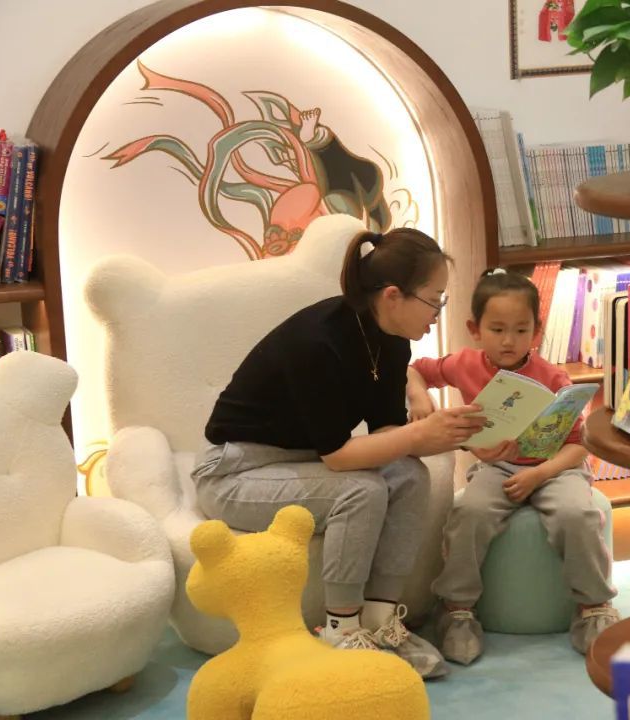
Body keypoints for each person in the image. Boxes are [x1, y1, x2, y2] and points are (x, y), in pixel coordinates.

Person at [191, 227, 486, 680]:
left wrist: (441, 436)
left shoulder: (392, 340)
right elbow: (337, 456)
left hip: (298, 461)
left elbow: (385, 432)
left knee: (410, 475)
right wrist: (418, 436)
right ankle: (341, 627)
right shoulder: (318, 343)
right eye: (435, 300)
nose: (437, 314)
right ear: (393, 296)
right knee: (361, 490)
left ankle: (380, 617)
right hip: (234, 471)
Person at [407, 269, 619, 666]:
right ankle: (457, 609)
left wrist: (540, 474)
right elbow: (415, 368)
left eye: (521, 331)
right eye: (497, 329)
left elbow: (580, 445)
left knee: (577, 514)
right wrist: (420, 396)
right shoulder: (464, 364)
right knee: (469, 512)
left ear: (536, 332)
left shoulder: (553, 377)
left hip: (556, 467)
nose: (509, 341)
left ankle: (594, 606)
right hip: (498, 466)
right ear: (475, 329)